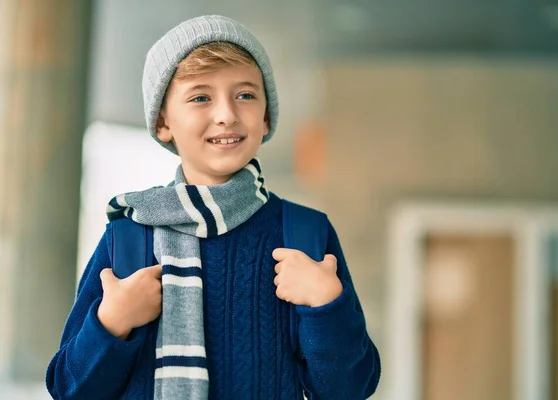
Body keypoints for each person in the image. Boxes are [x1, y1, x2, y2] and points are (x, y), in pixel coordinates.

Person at [46, 15, 381, 399]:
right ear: (162, 122)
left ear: (267, 115)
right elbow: (68, 389)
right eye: (200, 97)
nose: (226, 114)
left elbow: (351, 388)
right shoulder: (130, 237)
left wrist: (326, 306)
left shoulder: (305, 234)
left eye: (246, 95)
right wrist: (111, 323)